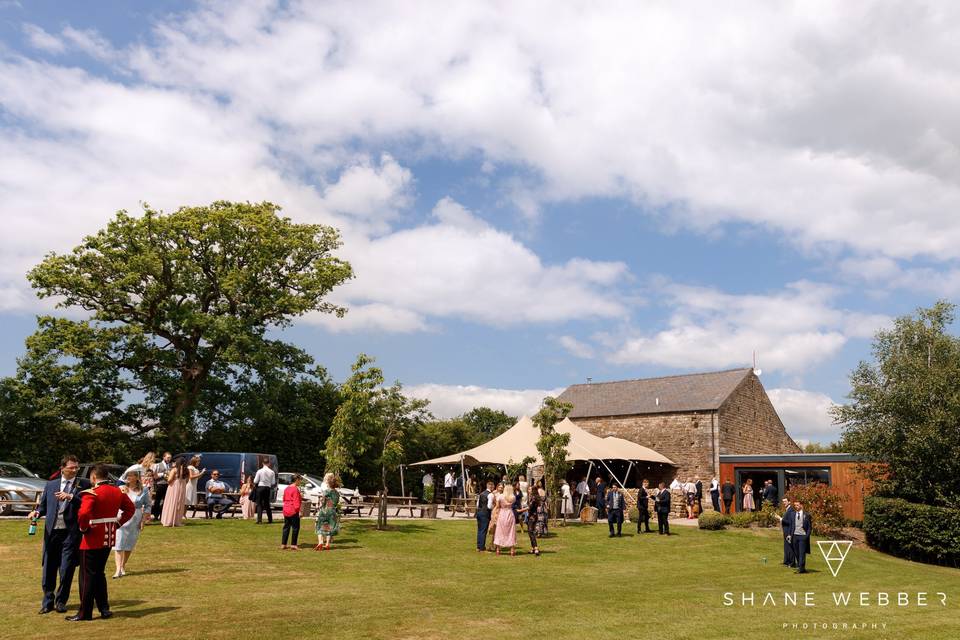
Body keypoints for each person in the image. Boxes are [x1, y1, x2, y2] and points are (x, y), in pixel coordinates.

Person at [66, 463, 135, 622]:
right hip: (108, 537)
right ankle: (104, 609)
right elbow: (130, 509)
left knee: (86, 576)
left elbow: (84, 513)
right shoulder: (117, 491)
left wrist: (83, 528)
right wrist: (116, 524)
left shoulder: (92, 493)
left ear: (94, 477)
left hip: (92, 538)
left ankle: (85, 612)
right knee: (99, 574)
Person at [30, 454, 91, 615]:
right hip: (52, 533)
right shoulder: (51, 485)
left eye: (76, 467)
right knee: (49, 568)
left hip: (71, 534)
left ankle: (61, 601)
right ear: (62, 468)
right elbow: (42, 507)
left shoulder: (83, 484)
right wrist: (36, 513)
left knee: (66, 568)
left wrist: (71, 497)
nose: (75, 470)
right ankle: (47, 601)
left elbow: (88, 504)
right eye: (71, 467)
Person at [113, 472, 152, 578]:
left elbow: (148, 505)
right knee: (118, 543)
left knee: (129, 544)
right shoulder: (121, 488)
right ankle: (117, 569)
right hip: (122, 516)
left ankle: (122, 566)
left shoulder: (144, 490)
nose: (128, 478)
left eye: (131, 476)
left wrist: (144, 519)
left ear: (137, 477)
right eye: (127, 476)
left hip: (136, 517)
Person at [160, 457, 189, 527]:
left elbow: (169, 480)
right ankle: (177, 521)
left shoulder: (175, 470)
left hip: (173, 488)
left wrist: (166, 476)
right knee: (179, 503)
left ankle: (168, 520)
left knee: (171, 502)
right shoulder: (186, 471)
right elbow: (187, 481)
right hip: (182, 488)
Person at [315, 473, 341, 551]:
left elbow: (323, 501)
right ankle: (327, 544)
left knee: (320, 526)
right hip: (332, 511)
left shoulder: (326, 491)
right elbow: (336, 503)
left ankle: (320, 542)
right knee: (329, 527)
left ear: (328, 483)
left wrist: (320, 504)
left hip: (325, 510)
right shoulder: (337, 493)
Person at [785, 499, 812, 574]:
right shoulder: (792, 514)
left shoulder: (806, 515)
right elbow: (791, 525)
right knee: (796, 552)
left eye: (797, 505)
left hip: (803, 536)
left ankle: (801, 568)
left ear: (801, 505)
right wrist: (790, 535)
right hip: (795, 536)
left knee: (802, 553)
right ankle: (801, 567)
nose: (796, 507)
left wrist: (807, 536)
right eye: (795, 505)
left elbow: (809, 527)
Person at [493, 484, 517, 556]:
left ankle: (498, 549)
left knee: (500, 531)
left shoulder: (500, 496)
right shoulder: (513, 497)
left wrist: (494, 512)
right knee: (511, 531)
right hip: (510, 513)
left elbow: (497, 506)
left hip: (502, 513)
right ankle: (512, 550)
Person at [281, 474, 303, 550]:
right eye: (300, 480)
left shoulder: (287, 488)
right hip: (293, 509)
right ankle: (293, 545)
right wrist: (299, 511)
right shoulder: (295, 489)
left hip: (286, 508)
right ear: (297, 480)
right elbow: (296, 501)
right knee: (295, 527)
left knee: (286, 527)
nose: (300, 482)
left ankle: (283, 544)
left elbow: (284, 498)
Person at [518, 488, 541, 556]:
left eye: (530, 489)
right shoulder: (532, 497)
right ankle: (533, 548)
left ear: (533, 490)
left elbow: (529, 507)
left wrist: (520, 510)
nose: (528, 490)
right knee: (530, 532)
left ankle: (536, 548)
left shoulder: (533, 498)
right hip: (531, 516)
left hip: (532, 517)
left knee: (531, 532)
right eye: (528, 489)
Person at [253, 457, 277, 524]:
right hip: (267, 488)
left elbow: (255, 481)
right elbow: (273, 482)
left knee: (259, 504)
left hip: (260, 487)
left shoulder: (259, 471)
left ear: (262, 463)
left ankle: (259, 520)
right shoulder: (272, 472)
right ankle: (270, 520)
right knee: (267, 504)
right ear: (269, 464)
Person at [150, 452, 173, 520]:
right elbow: (154, 476)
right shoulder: (157, 465)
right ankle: (156, 515)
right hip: (160, 484)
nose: (169, 459)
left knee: (166, 501)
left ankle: (163, 515)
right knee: (158, 500)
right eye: (168, 457)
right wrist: (163, 474)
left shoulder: (171, 465)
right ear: (164, 457)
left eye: (170, 458)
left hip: (168, 484)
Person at [475, 480, 494, 552]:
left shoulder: (481, 493)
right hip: (485, 513)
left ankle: (478, 546)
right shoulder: (491, 495)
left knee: (479, 530)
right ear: (491, 486)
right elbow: (489, 506)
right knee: (483, 530)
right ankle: (482, 547)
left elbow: (477, 505)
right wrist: (493, 506)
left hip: (479, 512)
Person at [778, 498, 796, 568]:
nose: (784, 503)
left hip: (789, 531)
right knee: (786, 547)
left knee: (790, 547)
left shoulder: (791, 510)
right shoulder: (787, 510)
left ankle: (792, 563)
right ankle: (786, 561)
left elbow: (790, 522)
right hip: (785, 531)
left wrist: (780, 519)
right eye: (783, 502)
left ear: (789, 502)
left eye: (785, 501)